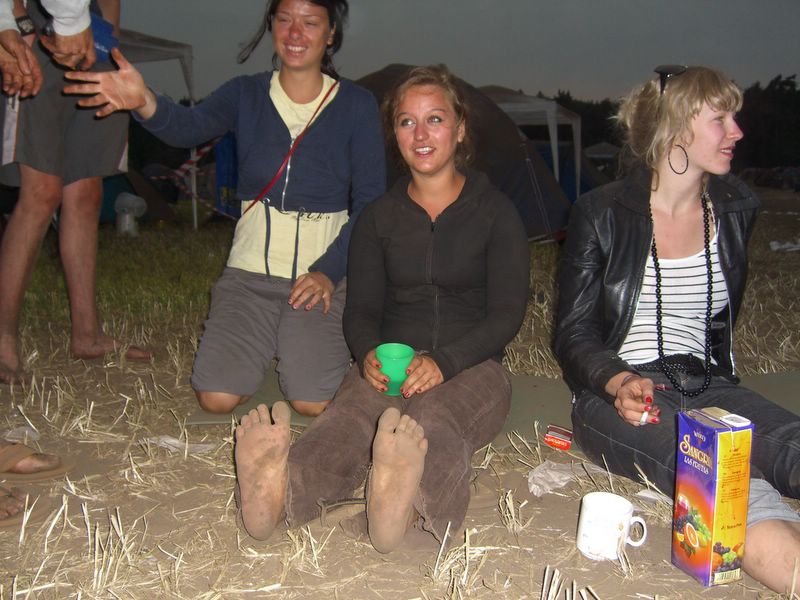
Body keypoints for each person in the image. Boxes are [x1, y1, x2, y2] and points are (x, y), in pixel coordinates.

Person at [230, 65, 529, 552]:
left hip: (472, 365)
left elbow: (507, 313)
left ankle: (407, 511)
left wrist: (445, 362)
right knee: (349, 421)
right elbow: (362, 309)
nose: (421, 133)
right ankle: (278, 494)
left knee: (433, 422)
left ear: (459, 129)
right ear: (395, 135)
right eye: (407, 122)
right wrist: (368, 350)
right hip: (390, 362)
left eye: (435, 119)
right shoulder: (377, 218)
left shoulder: (497, 213)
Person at [65, 0, 386, 417]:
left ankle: (300, 343)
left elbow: (370, 202)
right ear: (272, 26)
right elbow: (188, 127)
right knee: (216, 397)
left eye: (310, 23)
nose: (295, 33)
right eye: (284, 20)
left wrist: (328, 271)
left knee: (312, 401)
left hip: (319, 280)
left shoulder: (356, 105)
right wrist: (143, 100)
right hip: (249, 276)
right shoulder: (245, 93)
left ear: (330, 34)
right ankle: (269, 339)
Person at [554, 65, 800, 593]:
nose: (737, 131)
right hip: (618, 395)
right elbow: (573, 333)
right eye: (720, 119)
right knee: (723, 476)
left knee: (791, 445)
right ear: (676, 127)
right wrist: (618, 380)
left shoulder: (735, 208)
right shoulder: (601, 212)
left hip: (707, 383)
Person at [0, 0, 150, 387]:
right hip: (37, 30)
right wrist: (19, 23)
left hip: (95, 39)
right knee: (41, 193)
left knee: (86, 193)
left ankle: (88, 335)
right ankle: (3, 340)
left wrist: (109, 38)